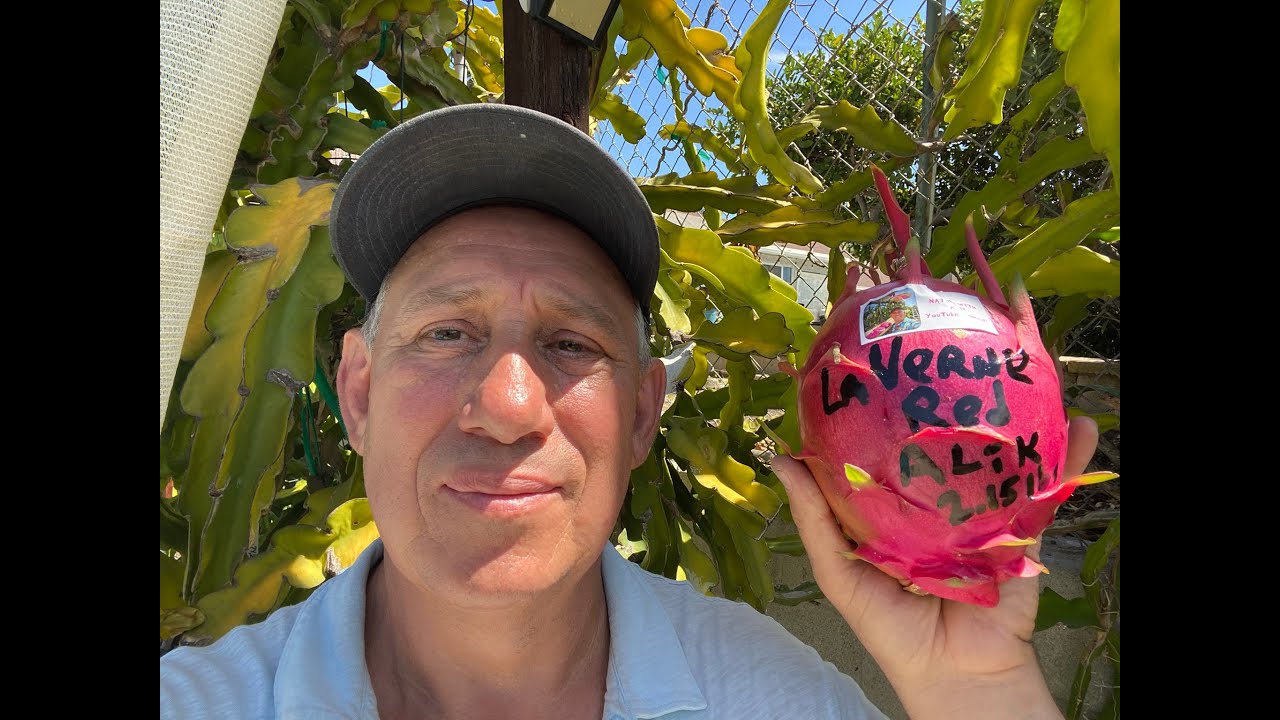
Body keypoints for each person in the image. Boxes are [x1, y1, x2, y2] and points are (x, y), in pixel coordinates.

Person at [160, 103, 1098, 719]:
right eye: (447, 333)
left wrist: (974, 688)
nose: (507, 405)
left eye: (572, 346)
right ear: (358, 392)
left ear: (646, 414)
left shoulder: (770, 701)